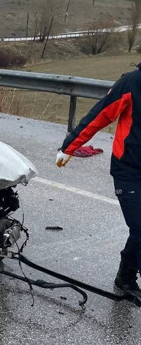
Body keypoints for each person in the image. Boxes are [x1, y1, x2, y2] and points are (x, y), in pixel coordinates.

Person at [57, 62, 141, 300]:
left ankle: (125, 276)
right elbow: (99, 116)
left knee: (139, 231)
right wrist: (70, 147)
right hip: (129, 170)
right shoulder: (131, 83)